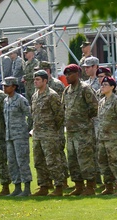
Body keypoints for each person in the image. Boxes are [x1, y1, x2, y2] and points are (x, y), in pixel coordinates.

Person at [61, 64, 99, 196]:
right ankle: (78, 186)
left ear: (77, 74)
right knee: (73, 160)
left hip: (83, 131)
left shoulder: (85, 89)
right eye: (66, 74)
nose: (67, 77)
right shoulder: (67, 91)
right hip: (71, 132)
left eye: (70, 74)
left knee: (85, 159)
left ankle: (90, 186)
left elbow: (95, 107)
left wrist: (83, 119)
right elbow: (63, 108)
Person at [30, 70, 67, 196]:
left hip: (50, 134)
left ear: (45, 81)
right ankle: (44, 186)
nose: (35, 82)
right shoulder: (35, 96)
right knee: (39, 161)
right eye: (34, 79)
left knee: (53, 161)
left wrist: (52, 128)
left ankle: (58, 186)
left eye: (38, 79)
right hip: (37, 134)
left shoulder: (52, 95)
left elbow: (59, 115)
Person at [2, 77, 32, 197]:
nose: (4, 88)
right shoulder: (6, 100)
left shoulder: (20, 100)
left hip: (20, 136)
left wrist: (28, 130)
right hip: (9, 136)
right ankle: (17, 187)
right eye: (4, 86)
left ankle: (27, 188)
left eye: (7, 86)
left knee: (22, 161)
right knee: (12, 162)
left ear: (14, 86)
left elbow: (30, 115)